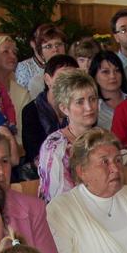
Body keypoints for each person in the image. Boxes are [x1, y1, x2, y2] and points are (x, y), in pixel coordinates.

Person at [37, 71, 99, 202]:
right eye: (80, 102)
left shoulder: (101, 137)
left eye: (92, 99)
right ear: (64, 108)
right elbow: (60, 199)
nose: (89, 107)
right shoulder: (55, 146)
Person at [21, 53, 72, 173]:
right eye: (63, 76)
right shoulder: (31, 110)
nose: (68, 81)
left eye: (73, 77)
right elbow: (34, 152)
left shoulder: (78, 107)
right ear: (47, 79)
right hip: (41, 170)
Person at [15, 23, 67, 97]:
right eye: (49, 46)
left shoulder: (75, 69)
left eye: (59, 44)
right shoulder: (37, 81)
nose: (55, 49)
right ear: (41, 52)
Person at [90, 49, 127, 131]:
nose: (113, 76)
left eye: (117, 70)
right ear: (94, 76)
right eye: (106, 72)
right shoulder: (91, 107)